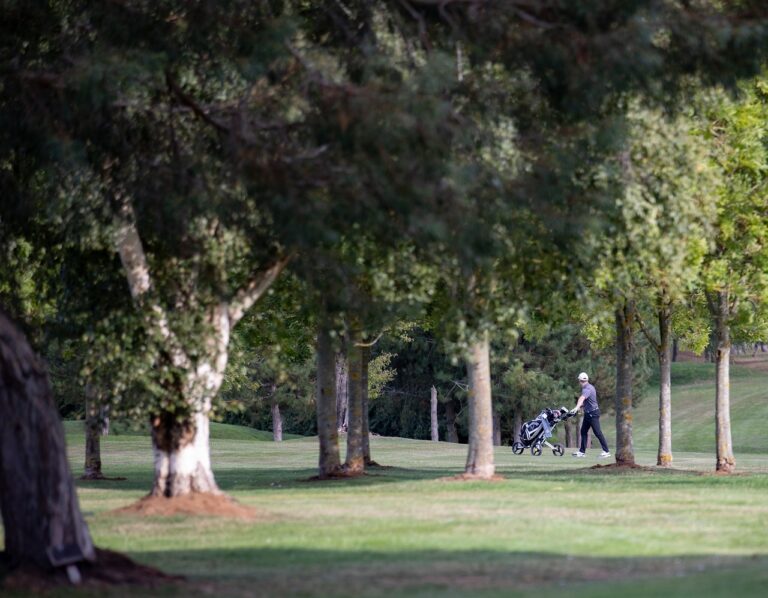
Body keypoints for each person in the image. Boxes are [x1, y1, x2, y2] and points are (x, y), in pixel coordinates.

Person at [571, 372, 611, 458]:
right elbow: (585, 401)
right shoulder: (588, 387)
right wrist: (580, 408)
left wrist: (577, 407)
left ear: (580, 381)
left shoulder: (587, 389)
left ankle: (606, 451)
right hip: (588, 413)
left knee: (597, 432)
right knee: (583, 431)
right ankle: (582, 452)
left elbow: (582, 398)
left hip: (593, 413)